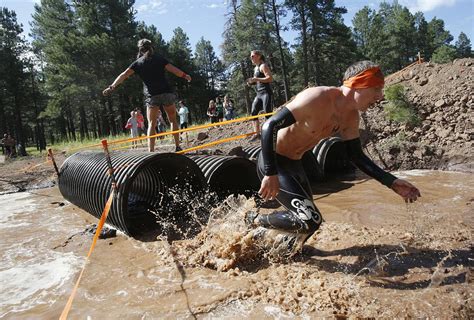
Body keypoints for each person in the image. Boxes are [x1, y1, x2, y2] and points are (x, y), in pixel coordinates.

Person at [246, 60, 421, 254]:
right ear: (358, 84)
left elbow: (356, 157)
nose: (380, 97)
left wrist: (392, 182)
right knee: (310, 220)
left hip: (296, 164)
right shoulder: (318, 97)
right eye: (377, 89)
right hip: (275, 162)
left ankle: (273, 252)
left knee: (306, 226)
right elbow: (269, 126)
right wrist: (270, 174)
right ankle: (253, 220)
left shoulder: (351, 117)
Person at [103, 38, 192, 152]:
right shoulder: (160, 59)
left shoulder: (138, 63)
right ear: (151, 47)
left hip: (152, 96)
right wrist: (185, 76)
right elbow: (174, 70)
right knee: (172, 120)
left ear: (140, 49)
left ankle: (151, 151)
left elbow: (124, 75)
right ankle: (177, 146)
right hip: (166, 93)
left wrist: (112, 86)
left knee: (151, 123)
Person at [247, 50, 273, 140]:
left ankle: (271, 133)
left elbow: (270, 78)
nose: (251, 58)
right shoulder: (256, 68)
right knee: (253, 113)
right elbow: (258, 80)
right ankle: (257, 133)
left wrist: (256, 78)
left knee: (268, 113)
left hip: (266, 93)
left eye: (253, 56)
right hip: (258, 94)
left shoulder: (263, 66)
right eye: (251, 56)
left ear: (259, 56)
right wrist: (252, 82)